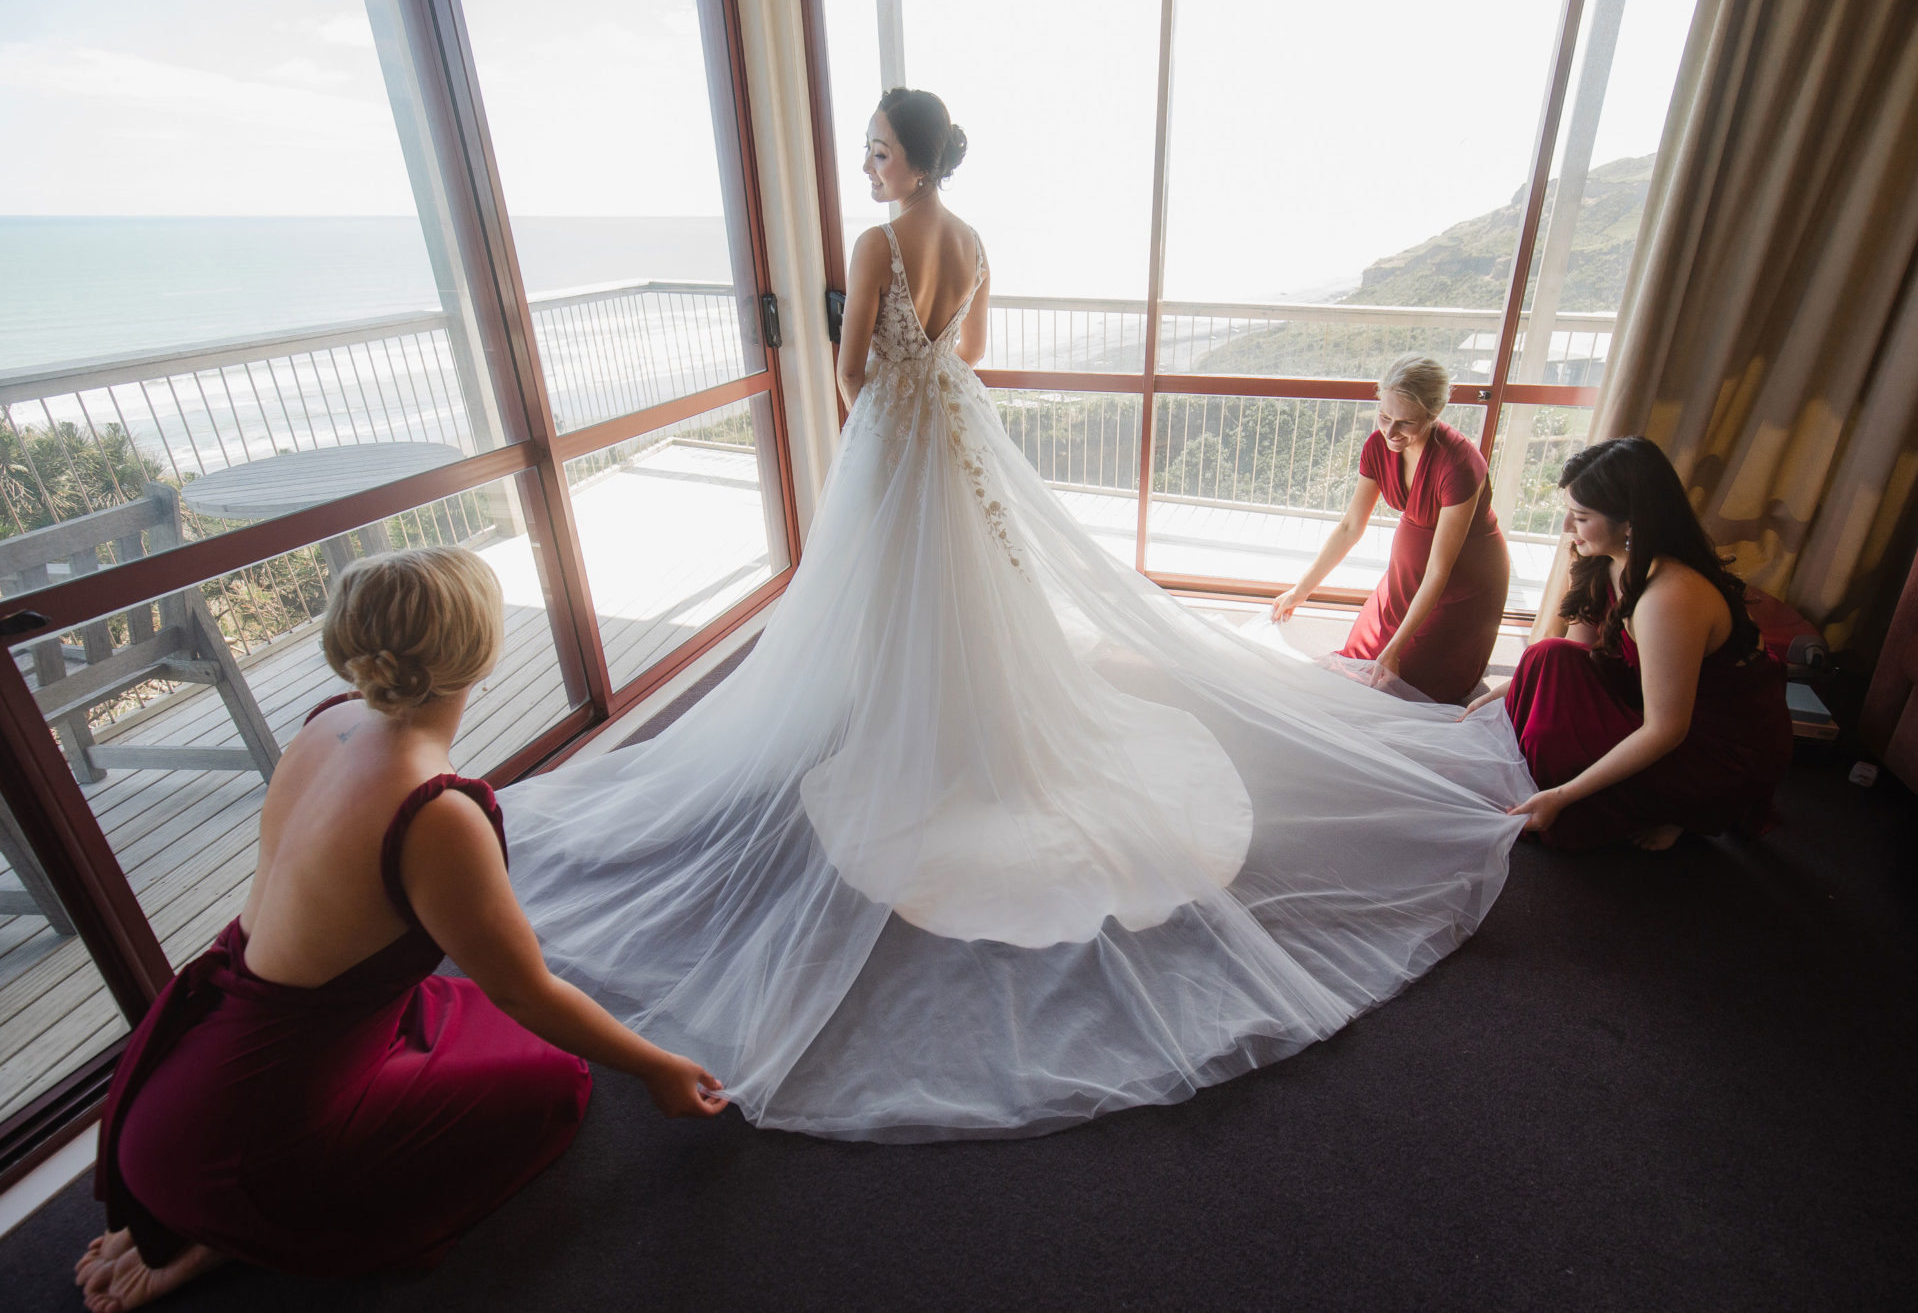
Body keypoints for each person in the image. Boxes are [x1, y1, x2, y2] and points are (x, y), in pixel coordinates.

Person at [500, 88, 1534, 1144]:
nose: (867, 171)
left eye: (877, 154)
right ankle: (963, 733)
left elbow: (850, 369)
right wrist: (933, 396)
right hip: (959, 436)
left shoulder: (874, 242)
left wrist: (884, 436)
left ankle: (912, 738)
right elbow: (969, 351)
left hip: (900, 445)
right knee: (971, 599)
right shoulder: (974, 237)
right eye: (866, 156)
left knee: (895, 600)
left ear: (912, 161)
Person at [75, 548, 725, 1313]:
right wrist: (656, 1068)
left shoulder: (329, 721)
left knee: (455, 1011)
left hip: (181, 1077)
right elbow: (529, 993)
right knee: (556, 1079)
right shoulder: (438, 813)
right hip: (248, 1132)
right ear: (480, 657)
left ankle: (198, 1202)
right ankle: (230, 1230)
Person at [1462, 437, 1793, 851]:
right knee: (1545, 656)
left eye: (1580, 517)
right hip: (1647, 701)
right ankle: (1577, 788)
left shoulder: (1670, 596)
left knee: (1555, 759)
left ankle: (1679, 811)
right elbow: (1577, 651)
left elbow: (1666, 730)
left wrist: (1564, 794)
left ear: (1630, 523)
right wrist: (1509, 691)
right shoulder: (1603, 557)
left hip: (1709, 744)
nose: (1566, 528)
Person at [1271, 355, 1512, 704]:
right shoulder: (1377, 445)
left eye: (1405, 423)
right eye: (1384, 417)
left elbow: (1440, 570)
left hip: (1464, 578)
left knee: (1404, 684)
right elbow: (1350, 526)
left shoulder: (1458, 463)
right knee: (1360, 662)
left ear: (1433, 416)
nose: (1391, 432)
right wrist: (1301, 590)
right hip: (1408, 572)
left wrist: (1396, 647)